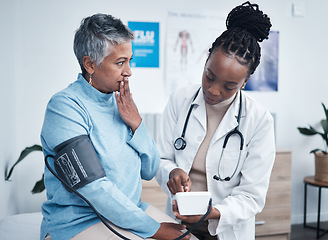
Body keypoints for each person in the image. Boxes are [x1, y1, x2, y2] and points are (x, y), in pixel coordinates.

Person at [40, 13, 192, 240]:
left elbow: (149, 170)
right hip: (79, 223)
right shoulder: (64, 108)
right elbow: (93, 187)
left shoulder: (121, 103)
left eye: (130, 61)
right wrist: (154, 229)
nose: (129, 71)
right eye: (120, 62)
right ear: (90, 64)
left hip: (132, 212)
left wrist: (137, 124)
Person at [155, 2, 275, 240]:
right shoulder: (181, 99)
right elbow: (161, 157)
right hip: (179, 226)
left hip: (227, 230)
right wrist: (172, 171)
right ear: (207, 57)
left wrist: (211, 212)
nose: (213, 90)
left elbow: (252, 196)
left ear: (245, 81)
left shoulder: (259, 120)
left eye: (229, 86)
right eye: (209, 76)